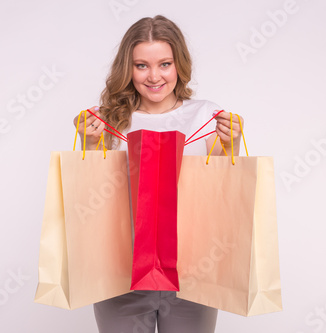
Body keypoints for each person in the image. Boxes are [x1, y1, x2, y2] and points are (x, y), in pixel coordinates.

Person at [73, 15, 243, 333]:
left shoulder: (205, 115)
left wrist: (231, 145)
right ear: (128, 67)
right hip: (120, 276)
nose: (154, 76)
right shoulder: (106, 120)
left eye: (164, 64)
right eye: (141, 65)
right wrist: (90, 144)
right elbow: (91, 200)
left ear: (179, 64)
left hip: (192, 275)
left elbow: (223, 193)